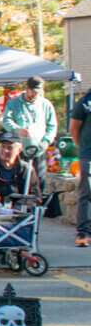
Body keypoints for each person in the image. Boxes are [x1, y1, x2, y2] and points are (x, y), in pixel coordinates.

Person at [2, 76, 57, 187]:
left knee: (39, 181)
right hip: (19, 150)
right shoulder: (13, 104)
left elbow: (52, 126)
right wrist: (17, 130)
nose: (35, 95)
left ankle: (37, 202)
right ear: (27, 88)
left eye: (38, 92)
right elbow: (6, 121)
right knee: (19, 181)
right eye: (33, 91)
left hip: (39, 149)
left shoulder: (46, 104)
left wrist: (46, 141)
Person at [68, 86, 91, 247]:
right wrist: (81, 148)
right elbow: (73, 129)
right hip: (88, 154)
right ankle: (83, 232)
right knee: (86, 193)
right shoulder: (84, 102)